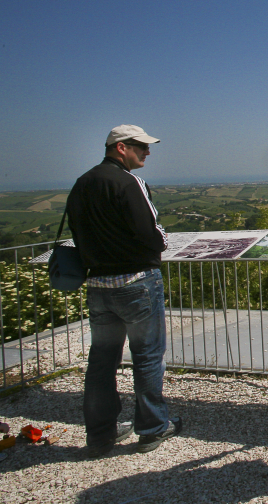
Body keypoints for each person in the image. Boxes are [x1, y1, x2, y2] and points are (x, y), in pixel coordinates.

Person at [66, 125, 181, 457]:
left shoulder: (82, 183)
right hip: (136, 282)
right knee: (146, 356)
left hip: (97, 285)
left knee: (101, 360)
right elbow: (149, 231)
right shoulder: (130, 183)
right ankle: (152, 428)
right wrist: (161, 241)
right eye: (141, 146)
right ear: (120, 148)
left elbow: (77, 229)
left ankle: (100, 434)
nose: (147, 152)